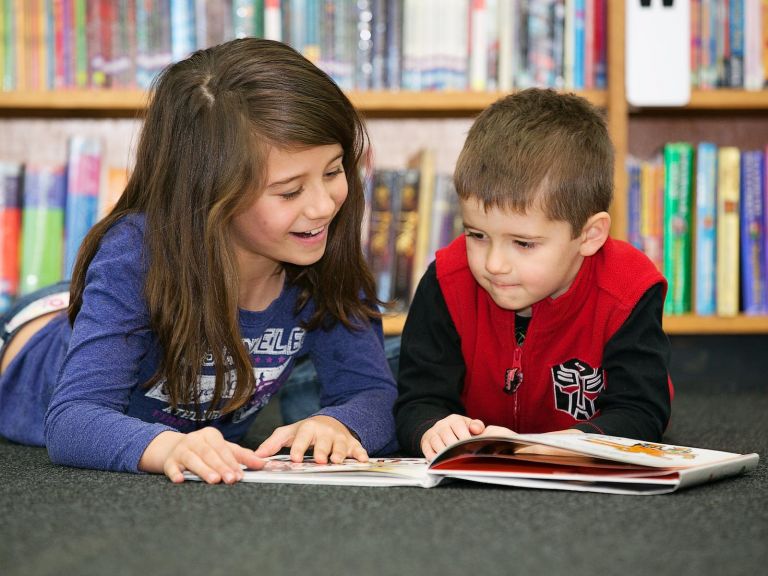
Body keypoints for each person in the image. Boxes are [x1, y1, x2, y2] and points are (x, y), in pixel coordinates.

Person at [0, 38, 398, 483]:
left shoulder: (321, 248)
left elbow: (372, 393)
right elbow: (73, 420)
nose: (324, 206)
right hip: (30, 346)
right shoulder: (136, 253)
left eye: (333, 171)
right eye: (289, 191)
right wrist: (168, 445)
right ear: (211, 194)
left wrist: (339, 424)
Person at [394, 88, 672, 459]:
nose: (494, 264)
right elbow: (418, 399)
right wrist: (431, 427)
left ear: (589, 236)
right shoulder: (448, 279)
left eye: (523, 244)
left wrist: (556, 447)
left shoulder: (628, 289)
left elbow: (640, 411)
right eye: (476, 235)